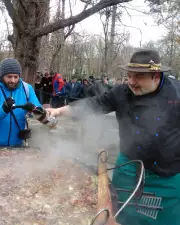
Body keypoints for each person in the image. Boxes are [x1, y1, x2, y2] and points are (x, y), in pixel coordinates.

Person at [46, 49, 180, 225]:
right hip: (128, 169)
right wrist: (58, 111)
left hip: (167, 178)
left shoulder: (176, 94)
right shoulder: (121, 93)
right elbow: (93, 104)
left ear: (156, 76)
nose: (131, 82)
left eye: (138, 77)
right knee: (118, 217)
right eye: (129, 76)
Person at [0, 58, 41, 147]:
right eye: (9, 77)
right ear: (2, 75)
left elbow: (39, 109)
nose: (13, 80)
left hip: (19, 144)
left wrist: (33, 109)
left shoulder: (27, 88)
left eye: (16, 77)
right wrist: (2, 110)